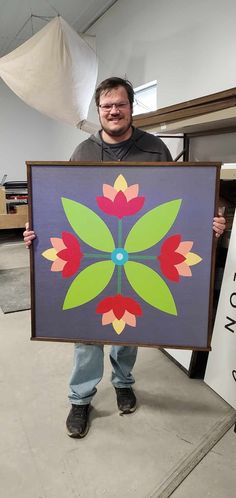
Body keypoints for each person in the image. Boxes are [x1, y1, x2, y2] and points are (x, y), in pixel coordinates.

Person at [24, 76, 226, 439]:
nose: (113, 111)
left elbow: (176, 203)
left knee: (129, 324)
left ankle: (122, 382)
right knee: (87, 331)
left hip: (139, 254)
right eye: (106, 106)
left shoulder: (155, 150)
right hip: (92, 256)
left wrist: (205, 224)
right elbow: (61, 206)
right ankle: (81, 398)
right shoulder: (82, 152)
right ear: (99, 111)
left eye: (120, 104)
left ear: (131, 107)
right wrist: (35, 230)